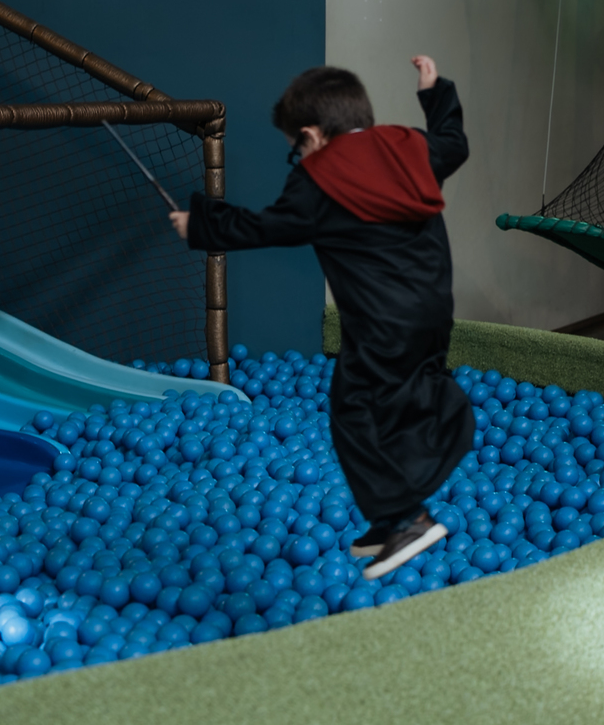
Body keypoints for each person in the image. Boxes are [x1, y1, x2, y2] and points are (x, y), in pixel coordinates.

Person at [170, 56, 474, 579]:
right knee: (405, 389)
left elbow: (266, 227)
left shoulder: (320, 180)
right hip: (433, 309)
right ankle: (393, 510)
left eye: (296, 143)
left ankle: (405, 518)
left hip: (378, 323)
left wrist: (200, 225)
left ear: (311, 134)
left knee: (353, 410)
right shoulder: (411, 147)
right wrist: (435, 90)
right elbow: (453, 141)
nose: (298, 153)